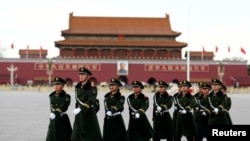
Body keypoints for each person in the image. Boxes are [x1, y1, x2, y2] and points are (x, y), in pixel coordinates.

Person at [71, 67, 102, 141]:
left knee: (89, 137)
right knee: (75, 137)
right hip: (79, 115)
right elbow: (77, 101)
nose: (81, 76)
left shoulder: (92, 88)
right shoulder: (77, 87)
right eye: (80, 74)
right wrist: (77, 108)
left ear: (87, 76)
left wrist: (81, 108)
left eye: (83, 74)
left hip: (88, 115)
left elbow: (91, 100)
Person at [46, 77, 72, 141]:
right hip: (53, 119)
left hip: (62, 118)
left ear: (63, 86)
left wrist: (56, 113)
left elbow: (64, 106)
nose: (56, 86)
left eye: (58, 84)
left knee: (63, 137)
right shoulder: (52, 96)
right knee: (50, 136)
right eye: (55, 84)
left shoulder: (66, 96)